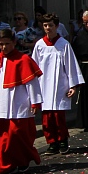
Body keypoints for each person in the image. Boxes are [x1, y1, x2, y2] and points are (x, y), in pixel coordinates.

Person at [0, 29, 42, 174]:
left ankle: (22, 161)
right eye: (1, 44)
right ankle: (4, 165)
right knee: (0, 138)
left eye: (7, 44)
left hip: (18, 104)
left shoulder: (24, 60)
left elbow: (32, 84)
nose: (4, 47)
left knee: (18, 136)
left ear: (14, 42)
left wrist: (35, 102)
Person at [32, 14, 84, 154]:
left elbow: (71, 65)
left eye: (50, 25)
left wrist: (73, 86)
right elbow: (34, 66)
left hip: (60, 85)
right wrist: (33, 87)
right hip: (43, 85)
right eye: (45, 26)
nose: (48, 28)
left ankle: (62, 141)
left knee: (58, 116)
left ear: (56, 26)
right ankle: (51, 142)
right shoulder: (39, 45)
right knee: (46, 118)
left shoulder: (63, 44)